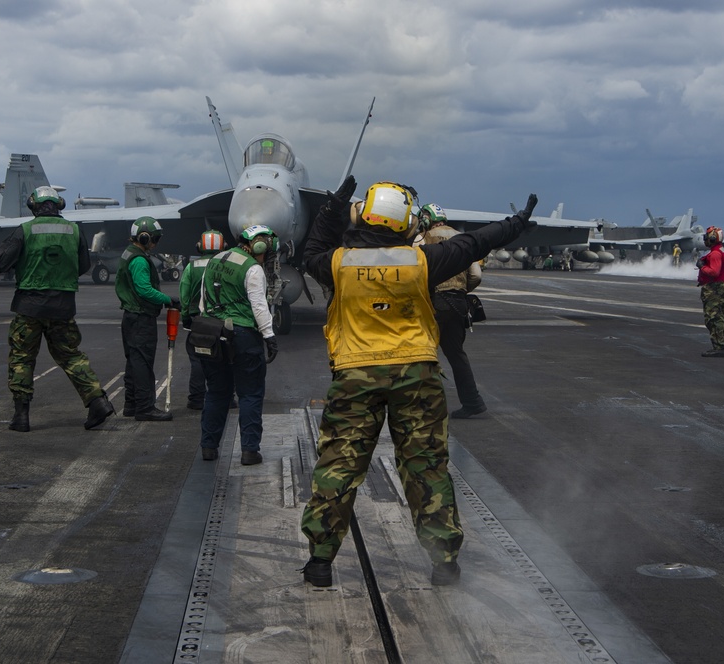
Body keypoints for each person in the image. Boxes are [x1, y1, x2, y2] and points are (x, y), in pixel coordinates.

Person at [299, 176, 537, 588]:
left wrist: (332, 208)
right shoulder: (422, 262)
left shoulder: (338, 263)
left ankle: (320, 562)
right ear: (407, 222)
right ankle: (444, 562)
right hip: (417, 372)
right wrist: (517, 223)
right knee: (426, 467)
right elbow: (476, 242)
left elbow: (311, 250)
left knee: (339, 466)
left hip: (356, 375)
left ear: (365, 214)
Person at [0, 186, 115, 432]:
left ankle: (21, 416)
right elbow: (83, 266)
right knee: (71, 356)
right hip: (63, 307)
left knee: (22, 358)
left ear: (34, 206)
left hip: (29, 307)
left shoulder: (25, 230)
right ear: (58, 205)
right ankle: (98, 401)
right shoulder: (74, 230)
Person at [196, 225, 279, 465]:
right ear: (259, 246)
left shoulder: (215, 259)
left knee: (217, 392)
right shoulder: (252, 268)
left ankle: (209, 447)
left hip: (212, 333)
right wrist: (269, 336)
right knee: (250, 393)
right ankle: (249, 451)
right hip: (243, 336)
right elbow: (259, 306)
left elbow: (203, 301)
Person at [419, 203, 487, 419]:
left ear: (426, 219)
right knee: (457, 355)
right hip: (458, 306)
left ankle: (428, 407)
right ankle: (473, 402)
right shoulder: (462, 238)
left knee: (422, 355)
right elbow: (476, 275)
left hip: (433, 304)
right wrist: (460, 289)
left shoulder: (422, 239)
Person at [115, 216, 180, 421]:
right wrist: (169, 300)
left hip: (131, 317)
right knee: (142, 363)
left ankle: (131, 404)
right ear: (144, 238)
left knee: (134, 361)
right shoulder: (140, 260)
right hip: (141, 318)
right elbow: (144, 290)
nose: (156, 243)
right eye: (155, 239)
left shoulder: (129, 253)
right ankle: (145, 408)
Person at [179, 230, 225, 410]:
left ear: (200, 246)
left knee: (197, 359)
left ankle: (196, 399)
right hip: (220, 320)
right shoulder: (226, 265)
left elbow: (184, 295)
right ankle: (226, 398)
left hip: (197, 320)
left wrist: (185, 318)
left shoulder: (192, 267)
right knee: (223, 359)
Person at [696, 225, 724, 358]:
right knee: (717, 318)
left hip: (714, 289)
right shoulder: (720, 250)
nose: (705, 239)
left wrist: (702, 267)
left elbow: (714, 272)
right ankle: (720, 345)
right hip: (719, 288)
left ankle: (720, 347)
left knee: (713, 318)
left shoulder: (715, 254)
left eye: (707, 237)